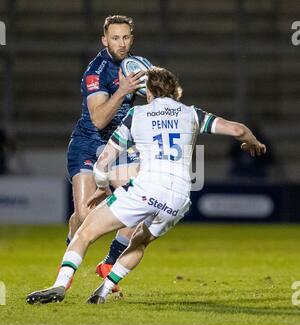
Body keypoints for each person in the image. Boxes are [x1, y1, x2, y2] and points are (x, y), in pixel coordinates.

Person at [26, 66, 266, 305]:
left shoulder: (136, 115)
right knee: (139, 241)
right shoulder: (192, 114)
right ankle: (103, 291)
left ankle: (60, 285)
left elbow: (103, 163)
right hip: (180, 197)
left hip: (146, 188)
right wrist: (252, 143)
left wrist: (101, 186)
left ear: (148, 93)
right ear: (176, 92)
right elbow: (238, 129)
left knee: (85, 232)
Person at [66, 15, 151, 291]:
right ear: (105, 40)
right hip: (89, 142)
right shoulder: (96, 71)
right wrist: (123, 90)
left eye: (126, 37)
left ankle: (109, 263)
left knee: (140, 206)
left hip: (120, 146)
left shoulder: (138, 67)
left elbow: (158, 98)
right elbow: (99, 119)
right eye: (115, 38)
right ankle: (72, 244)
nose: (121, 43)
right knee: (84, 215)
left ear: (132, 39)